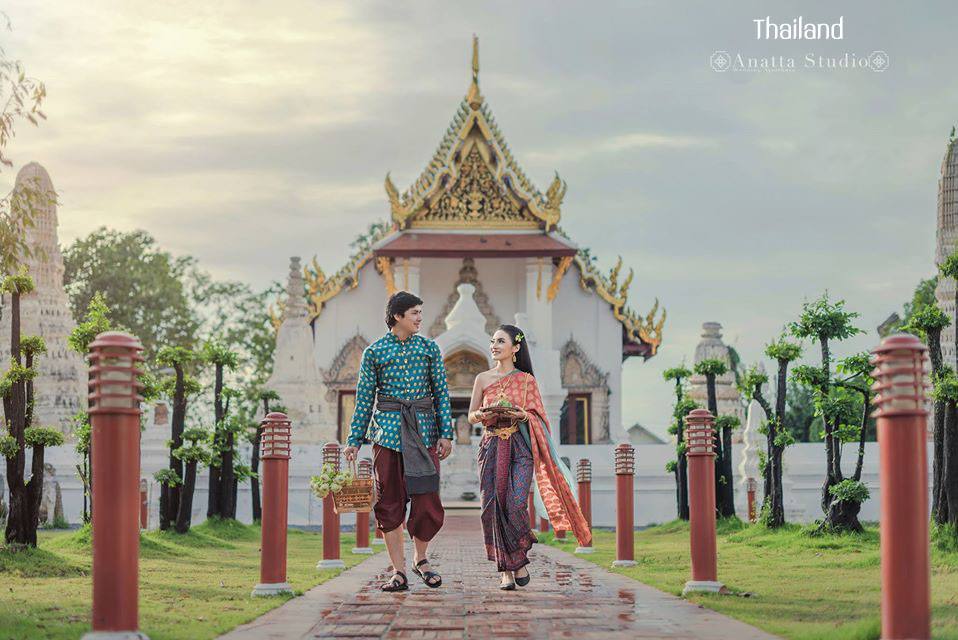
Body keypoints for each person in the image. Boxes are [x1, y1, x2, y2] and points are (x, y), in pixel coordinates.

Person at [343, 291, 454, 592]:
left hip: (423, 434)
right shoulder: (374, 352)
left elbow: (441, 393)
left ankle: (421, 559)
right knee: (390, 503)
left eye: (420, 312)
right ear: (397, 316)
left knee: (427, 502)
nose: (420, 318)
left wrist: (446, 433)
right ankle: (398, 570)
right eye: (414, 313)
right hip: (387, 436)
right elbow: (365, 400)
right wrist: (354, 440)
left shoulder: (430, 349)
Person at [468, 325, 592, 590]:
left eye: (500, 341)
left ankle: (519, 553)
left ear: (515, 348)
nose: (494, 345)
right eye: (492, 341)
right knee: (492, 507)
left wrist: (522, 415)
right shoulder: (482, 379)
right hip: (491, 446)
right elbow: (471, 414)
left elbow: (538, 417)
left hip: (519, 448)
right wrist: (481, 415)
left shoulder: (527, 381)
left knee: (514, 504)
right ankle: (508, 570)